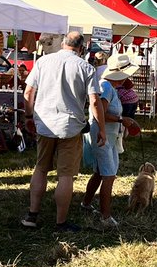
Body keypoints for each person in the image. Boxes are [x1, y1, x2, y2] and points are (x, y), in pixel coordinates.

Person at [21, 30, 105, 231]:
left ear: (63, 44)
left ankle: (32, 215)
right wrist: (101, 128)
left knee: (41, 169)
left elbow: (28, 91)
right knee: (65, 176)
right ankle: (60, 222)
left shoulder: (43, 62)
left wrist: (28, 116)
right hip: (70, 126)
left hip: (45, 123)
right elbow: (94, 100)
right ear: (81, 48)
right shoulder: (86, 67)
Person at [81, 53, 139, 229]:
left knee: (100, 172)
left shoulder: (109, 86)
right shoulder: (106, 87)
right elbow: (101, 113)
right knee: (109, 175)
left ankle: (86, 203)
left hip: (108, 135)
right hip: (102, 133)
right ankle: (105, 217)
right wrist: (122, 120)